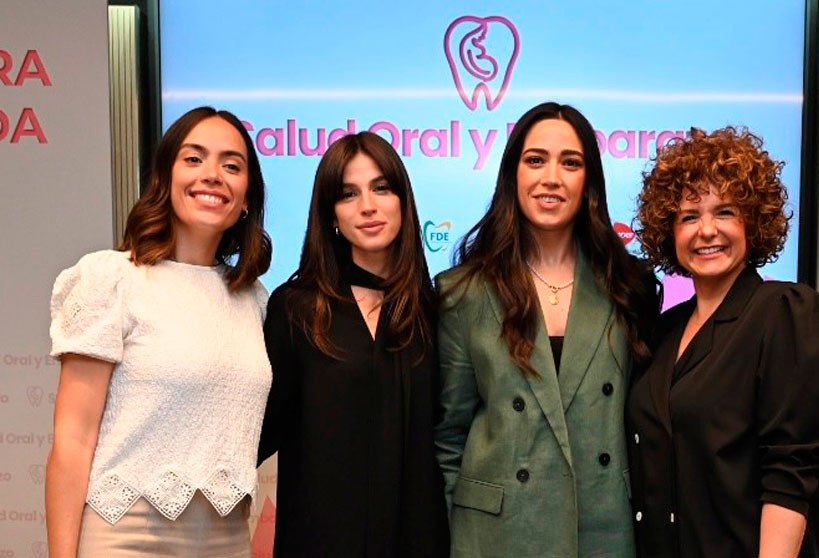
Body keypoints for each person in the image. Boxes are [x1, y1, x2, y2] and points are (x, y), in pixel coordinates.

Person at [46, 106, 273, 557]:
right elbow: (72, 441)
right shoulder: (112, 279)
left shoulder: (255, 300)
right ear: (165, 179)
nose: (212, 175)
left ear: (247, 197)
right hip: (128, 539)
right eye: (194, 159)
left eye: (232, 165)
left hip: (227, 541)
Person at [435, 102, 659, 557]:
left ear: (588, 181)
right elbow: (448, 436)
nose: (551, 177)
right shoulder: (464, 293)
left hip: (603, 527)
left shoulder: (627, 286)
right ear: (513, 174)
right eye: (535, 159)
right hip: (496, 534)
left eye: (570, 162)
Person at [629, 126, 819, 557]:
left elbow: (791, 472)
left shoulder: (782, 313)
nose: (706, 231)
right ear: (668, 231)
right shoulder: (664, 331)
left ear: (753, 221)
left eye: (724, 211)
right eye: (689, 216)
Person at [258, 132, 449, 556]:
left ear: (403, 201)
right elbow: (258, 430)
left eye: (381, 188)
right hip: (321, 539)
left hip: (420, 538)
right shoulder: (297, 310)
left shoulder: (436, 311)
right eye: (348, 194)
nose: (368, 206)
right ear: (331, 215)